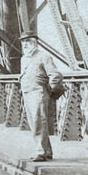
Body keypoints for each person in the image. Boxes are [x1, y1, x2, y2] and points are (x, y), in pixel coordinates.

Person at [19, 32, 64, 162]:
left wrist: (50, 89)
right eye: (23, 41)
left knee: (39, 122)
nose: (25, 44)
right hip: (27, 92)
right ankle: (47, 151)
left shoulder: (44, 56)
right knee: (34, 123)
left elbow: (55, 75)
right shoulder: (24, 58)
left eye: (28, 41)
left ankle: (41, 152)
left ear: (35, 42)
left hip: (38, 92)